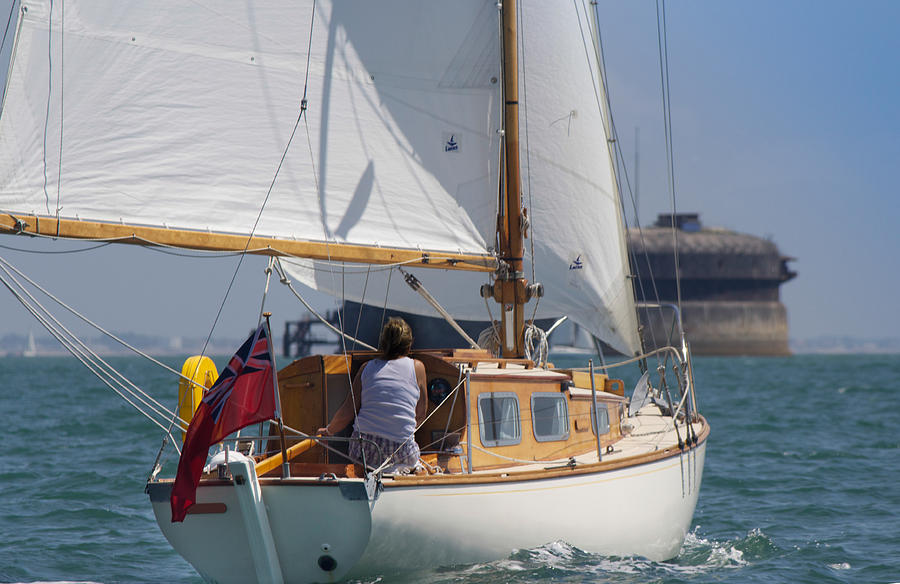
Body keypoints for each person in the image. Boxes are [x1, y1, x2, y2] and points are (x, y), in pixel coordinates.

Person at [317, 317, 427, 472]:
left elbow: (348, 411)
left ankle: (366, 474)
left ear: (383, 342)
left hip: (364, 451)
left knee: (363, 456)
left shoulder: (366, 369)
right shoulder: (417, 368)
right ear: (410, 344)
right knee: (416, 463)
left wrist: (328, 431)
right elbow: (421, 414)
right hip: (402, 452)